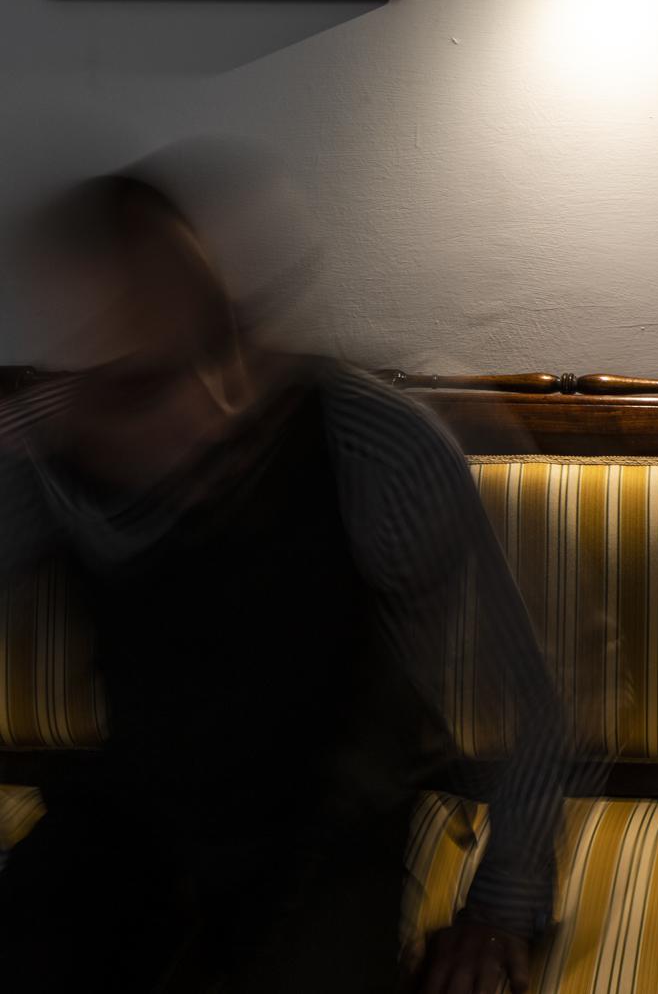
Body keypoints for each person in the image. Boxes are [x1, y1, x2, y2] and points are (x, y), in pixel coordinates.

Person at [0, 174, 571, 994]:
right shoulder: (49, 453)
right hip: (135, 821)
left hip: (329, 832)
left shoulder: (376, 448)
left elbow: (532, 698)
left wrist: (501, 906)